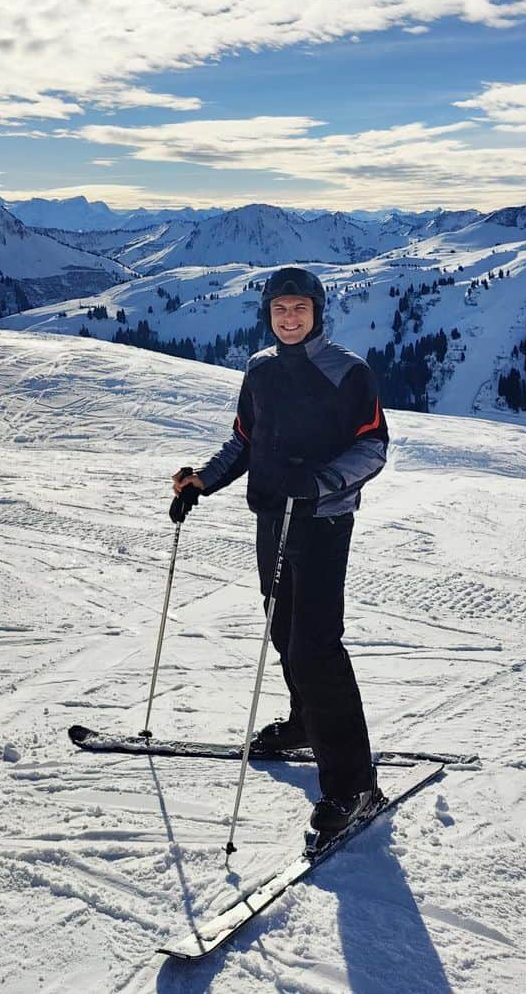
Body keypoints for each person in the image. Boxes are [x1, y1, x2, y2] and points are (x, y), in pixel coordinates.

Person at [171, 266, 389, 835]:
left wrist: (318, 484)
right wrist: (203, 480)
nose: (289, 319)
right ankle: (304, 724)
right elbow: (246, 438)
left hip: (322, 522)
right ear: (267, 315)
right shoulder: (260, 369)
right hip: (272, 517)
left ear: (317, 312)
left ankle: (355, 785)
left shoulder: (348, 372)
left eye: (300, 309)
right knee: (282, 629)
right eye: (279, 310)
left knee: (316, 646)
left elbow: (373, 449)